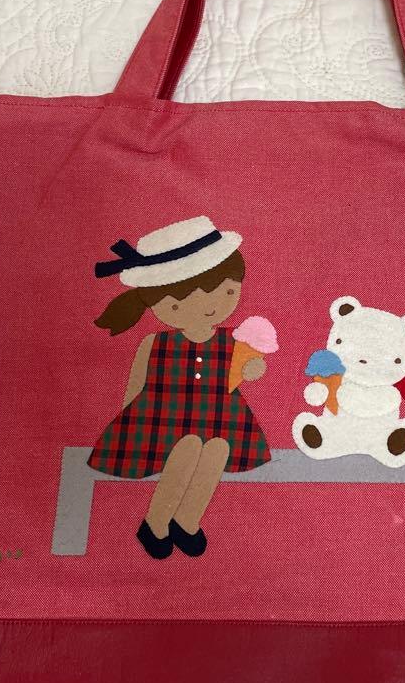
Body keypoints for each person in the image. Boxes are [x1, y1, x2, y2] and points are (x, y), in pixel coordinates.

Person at [90, 216, 271, 559]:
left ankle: (186, 520)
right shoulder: (155, 343)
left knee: (218, 448)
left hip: (220, 422)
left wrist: (253, 368)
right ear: (157, 304)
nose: (210, 306)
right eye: (180, 302)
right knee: (188, 445)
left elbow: (247, 369)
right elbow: (135, 386)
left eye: (227, 291)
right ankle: (155, 523)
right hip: (159, 426)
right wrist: (126, 428)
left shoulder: (232, 340)